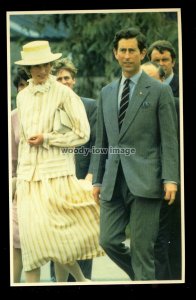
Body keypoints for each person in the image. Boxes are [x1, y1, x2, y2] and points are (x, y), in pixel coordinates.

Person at [92, 27, 179, 281]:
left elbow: (169, 140)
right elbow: (102, 141)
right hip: (112, 181)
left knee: (143, 250)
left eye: (132, 50)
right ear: (115, 54)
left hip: (146, 180)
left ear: (143, 54)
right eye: (122, 50)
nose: (127, 55)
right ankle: (147, 277)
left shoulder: (159, 91)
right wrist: (97, 179)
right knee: (107, 240)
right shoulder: (106, 92)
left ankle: (145, 275)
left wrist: (170, 179)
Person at [14, 40, 104, 283]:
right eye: (36, 67)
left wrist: (47, 138)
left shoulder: (64, 93)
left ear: (52, 64)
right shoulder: (22, 97)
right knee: (34, 241)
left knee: (58, 237)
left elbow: (82, 133)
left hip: (56, 174)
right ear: (28, 69)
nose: (41, 71)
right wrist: (19, 178)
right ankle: (80, 279)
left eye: (45, 65)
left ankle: (72, 280)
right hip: (29, 178)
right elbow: (23, 140)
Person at [50, 57, 97, 281]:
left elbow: (98, 145)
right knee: (56, 237)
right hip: (56, 180)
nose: (63, 81)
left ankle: (84, 281)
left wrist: (90, 177)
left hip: (82, 180)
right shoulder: (48, 109)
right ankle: (55, 282)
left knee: (83, 237)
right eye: (58, 78)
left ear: (73, 81)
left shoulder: (90, 106)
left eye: (66, 78)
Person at [11, 68, 29, 283]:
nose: (24, 90)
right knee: (16, 240)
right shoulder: (13, 118)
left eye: (27, 85)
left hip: (45, 183)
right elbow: (12, 159)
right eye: (20, 86)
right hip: (20, 184)